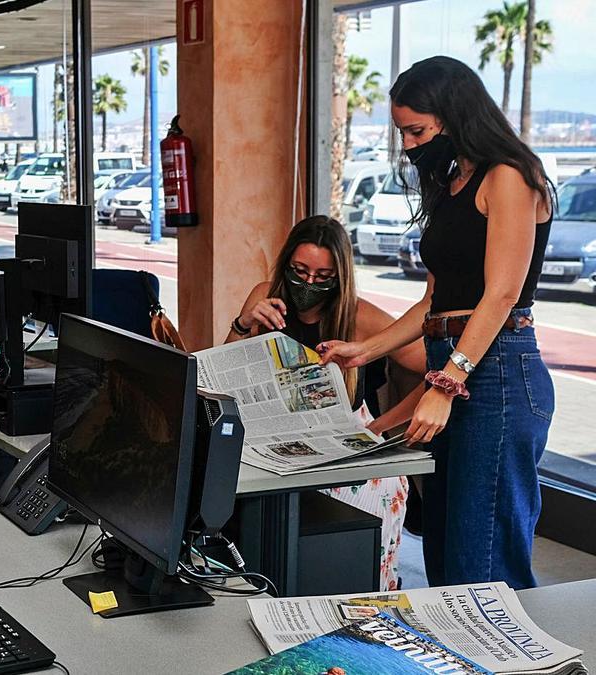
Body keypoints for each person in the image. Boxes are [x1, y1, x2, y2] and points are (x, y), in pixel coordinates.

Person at [321, 56, 555, 589]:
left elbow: (501, 295)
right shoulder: (453, 183)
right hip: (455, 358)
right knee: (446, 562)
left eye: (417, 130)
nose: (408, 144)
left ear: (455, 115)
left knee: (484, 565)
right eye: (403, 131)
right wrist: (366, 350)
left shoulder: (511, 176)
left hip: (496, 372)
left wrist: (447, 383)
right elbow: (435, 302)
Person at [226, 215, 425, 590]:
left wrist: (379, 429)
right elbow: (227, 374)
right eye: (299, 272)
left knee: (347, 566)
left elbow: (434, 373)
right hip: (278, 442)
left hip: (345, 451)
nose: (309, 285)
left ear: (340, 277)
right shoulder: (265, 296)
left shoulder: (360, 316)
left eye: (323, 277)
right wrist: (243, 322)